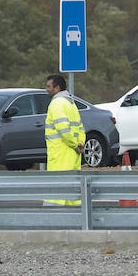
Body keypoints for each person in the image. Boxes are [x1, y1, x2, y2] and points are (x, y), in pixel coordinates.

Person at [43, 73, 85, 206]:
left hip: (60, 154)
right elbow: (80, 128)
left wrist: (73, 144)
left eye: (49, 86)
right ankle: (76, 220)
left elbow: (63, 129)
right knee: (72, 191)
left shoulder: (56, 104)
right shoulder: (71, 104)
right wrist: (80, 144)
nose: (46, 89)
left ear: (57, 88)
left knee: (57, 189)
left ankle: (53, 220)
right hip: (73, 155)